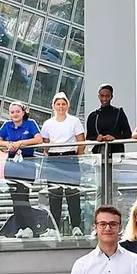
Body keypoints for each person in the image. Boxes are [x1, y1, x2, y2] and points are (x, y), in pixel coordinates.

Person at [0, 102, 47, 238]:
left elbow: (38, 139)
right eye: (12, 112)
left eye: (18, 111)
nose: (15, 114)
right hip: (12, 164)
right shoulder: (7, 125)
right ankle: (21, 227)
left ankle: (32, 227)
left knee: (23, 197)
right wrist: (8, 144)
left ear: (23, 112)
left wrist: (21, 143)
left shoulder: (30, 123)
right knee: (15, 199)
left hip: (27, 164)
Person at [40, 92, 87, 236]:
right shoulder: (48, 123)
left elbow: (81, 141)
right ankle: (54, 227)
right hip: (54, 159)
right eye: (58, 104)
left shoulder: (74, 121)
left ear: (68, 105)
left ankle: (76, 226)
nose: (61, 107)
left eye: (63, 104)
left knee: (73, 193)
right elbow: (45, 143)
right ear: (53, 106)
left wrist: (76, 156)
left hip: (70, 157)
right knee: (54, 194)